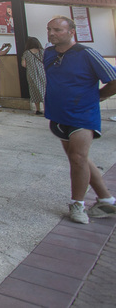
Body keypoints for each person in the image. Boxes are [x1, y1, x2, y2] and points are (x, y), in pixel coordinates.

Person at [43, 15, 116, 224]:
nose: (51, 34)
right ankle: (106, 199)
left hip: (83, 114)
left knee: (78, 158)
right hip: (59, 115)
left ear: (71, 31)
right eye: (49, 29)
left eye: (57, 30)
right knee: (79, 158)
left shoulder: (87, 54)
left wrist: (97, 97)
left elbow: (113, 80)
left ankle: (78, 205)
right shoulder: (48, 54)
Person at [21, 37, 47, 115]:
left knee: (33, 91)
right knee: (44, 90)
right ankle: (46, 110)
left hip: (31, 74)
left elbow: (23, 64)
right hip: (43, 73)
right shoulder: (43, 51)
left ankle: (38, 110)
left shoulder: (27, 53)